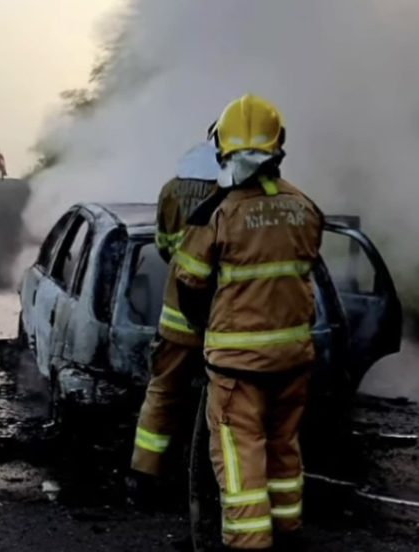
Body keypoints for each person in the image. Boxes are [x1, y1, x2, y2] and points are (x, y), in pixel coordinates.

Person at [174, 94, 324, 550]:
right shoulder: (306, 206)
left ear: (223, 149)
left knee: (240, 459)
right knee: (283, 447)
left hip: (238, 366)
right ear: (278, 147)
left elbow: (189, 282)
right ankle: (288, 531)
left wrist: (208, 334)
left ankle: (247, 541)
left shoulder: (219, 214)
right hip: (294, 359)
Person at [129, 123, 220, 499]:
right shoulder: (233, 194)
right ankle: (218, 480)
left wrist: (182, 265)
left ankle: (143, 477)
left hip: (178, 316)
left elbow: (164, 244)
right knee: (228, 401)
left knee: (164, 392)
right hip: (225, 319)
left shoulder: (171, 188)